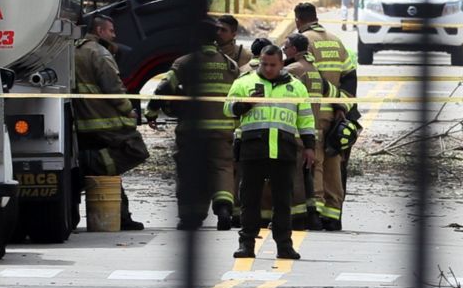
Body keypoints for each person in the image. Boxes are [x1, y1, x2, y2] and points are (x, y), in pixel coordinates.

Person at [143, 18, 240, 230]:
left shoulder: (185, 62)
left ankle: (190, 216)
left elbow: (164, 88)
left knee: (189, 170)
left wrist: (151, 112)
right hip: (222, 128)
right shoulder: (229, 65)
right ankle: (224, 207)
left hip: (192, 130)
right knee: (222, 167)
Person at [225, 45, 316, 260]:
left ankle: (284, 246)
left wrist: (309, 147)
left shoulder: (296, 87)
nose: (267, 68)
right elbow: (227, 109)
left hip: (283, 150)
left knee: (283, 202)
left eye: (272, 65)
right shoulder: (244, 82)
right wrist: (245, 104)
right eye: (264, 64)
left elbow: (305, 119)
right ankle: (246, 244)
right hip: (252, 150)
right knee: (250, 200)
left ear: (281, 64)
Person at [74, 15, 147, 230]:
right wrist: (129, 111)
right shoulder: (98, 53)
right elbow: (113, 88)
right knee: (135, 149)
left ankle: (121, 217)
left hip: (83, 123)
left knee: (111, 170)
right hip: (102, 123)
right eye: (111, 30)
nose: (114, 35)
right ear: (99, 30)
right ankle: (89, 163)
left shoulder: (75, 50)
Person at [295, 3, 357, 231]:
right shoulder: (335, 40)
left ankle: (317, 213)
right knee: (334, 163)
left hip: (314, 112)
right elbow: (350, 77)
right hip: (336, 115)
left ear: (297, 20)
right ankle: (334, 214)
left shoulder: (302, 42)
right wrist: (342, 104)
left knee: (316, 162)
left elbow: (304, 76)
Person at [282, 33, 343, 231]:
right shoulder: (315, 71)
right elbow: (332, 91)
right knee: (319, 169)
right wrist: (342, 106)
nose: (283, 49)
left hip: (299, 130)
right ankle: (327, 215)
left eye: (286, 46)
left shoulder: (293, 70)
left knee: (304, 172)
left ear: (293, 49)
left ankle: (309, 215)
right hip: (318, 126)